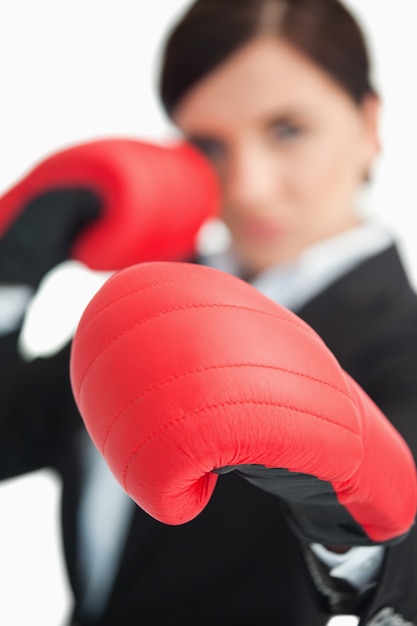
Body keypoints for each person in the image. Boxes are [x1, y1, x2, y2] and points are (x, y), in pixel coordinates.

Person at [1, 2, 417, 626]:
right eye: (208, 145)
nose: (247, 187)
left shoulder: (403, 344)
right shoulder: (154, 302)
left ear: (369, 124)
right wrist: (11, 275)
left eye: (288, 130)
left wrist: (358, 537)